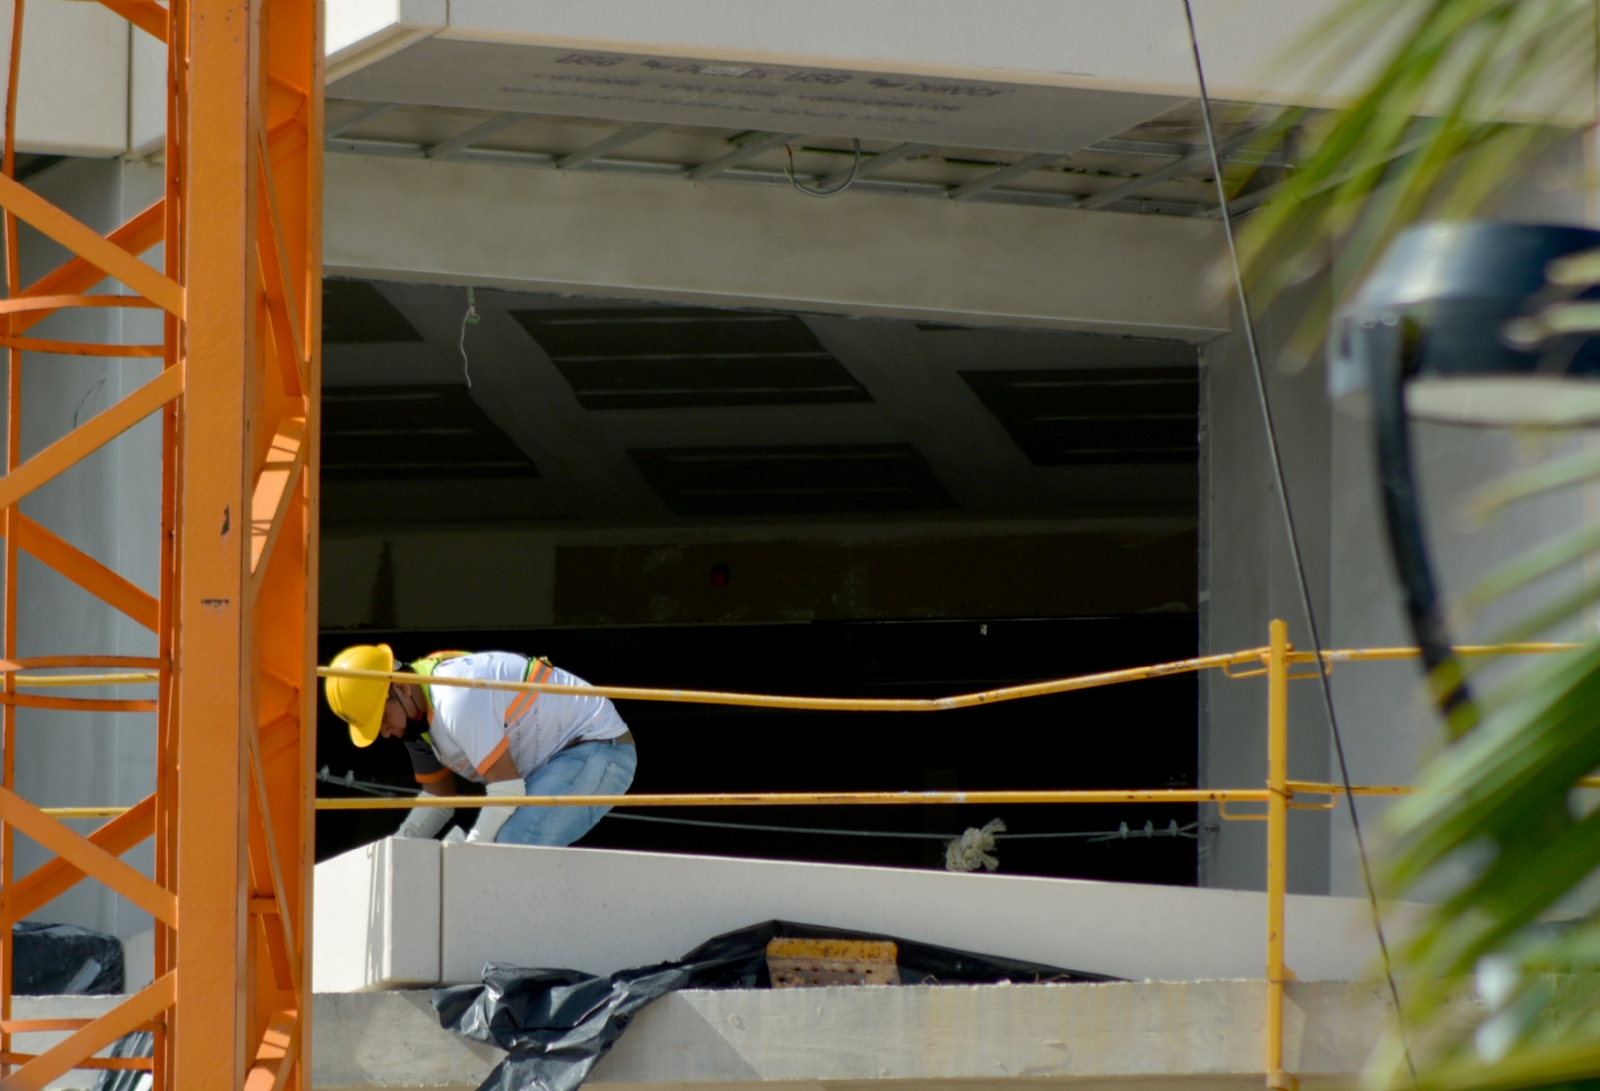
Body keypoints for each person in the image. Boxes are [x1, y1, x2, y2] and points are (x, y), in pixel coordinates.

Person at [324, 645, 636, 845]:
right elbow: (439, 800)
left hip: (598, 747)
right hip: (558, 762)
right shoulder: (417, 723)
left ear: (401, 688)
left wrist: (472, 849)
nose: (384, 733)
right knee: (502, 844)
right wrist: (398, 845)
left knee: (516, 841)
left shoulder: (453, 696)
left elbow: (507, 788)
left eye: (381, 719)